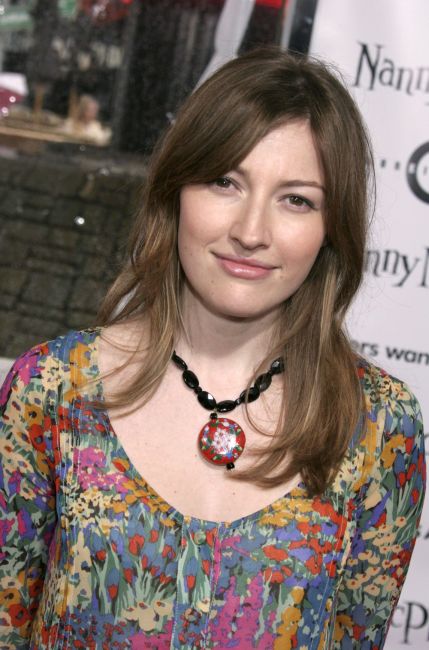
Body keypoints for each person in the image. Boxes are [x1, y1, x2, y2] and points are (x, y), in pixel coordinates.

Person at [0, 47, 425, 649]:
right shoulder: (51, 390)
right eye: (225, 181)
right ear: (176, 189)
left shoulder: (381, 427)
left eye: (296, 199)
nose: (250, 232)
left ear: (332, 228)